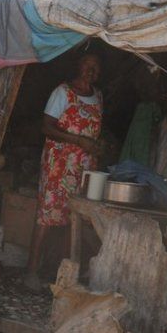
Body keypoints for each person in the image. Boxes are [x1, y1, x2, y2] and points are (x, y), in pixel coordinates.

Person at [25, 54, 104, 290]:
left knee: (76, 217)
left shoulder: (98, 96)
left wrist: (97, 146)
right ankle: (31, 271)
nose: (90, 71)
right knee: (47, 216)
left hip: (85, 167)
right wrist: (78, 140)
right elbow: (46, 127)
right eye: (87, 64)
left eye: (95, 67)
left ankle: (67, 274)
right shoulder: (62, 92)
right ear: (77, 65)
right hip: (59, 164)